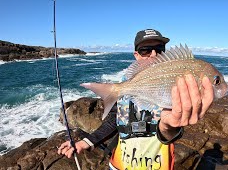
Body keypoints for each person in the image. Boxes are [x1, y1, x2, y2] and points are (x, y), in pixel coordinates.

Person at [58, 29, 214, 169]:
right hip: (120, 164)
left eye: (159, 49)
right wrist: (87, 141)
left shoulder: (173, 82)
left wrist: (168, 126)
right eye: (145, 50)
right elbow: (115, 120)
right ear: (136, 55)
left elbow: (171, 131)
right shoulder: (128, 83)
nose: (153, 54)